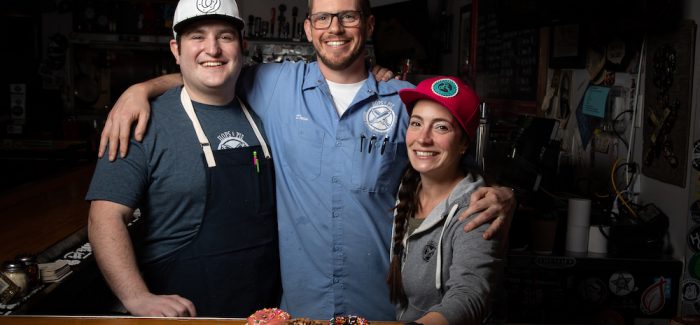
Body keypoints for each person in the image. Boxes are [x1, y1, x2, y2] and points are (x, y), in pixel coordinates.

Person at [97, 0, 516, 320]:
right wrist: (141, 88)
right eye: (323, 18)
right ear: (308, 28)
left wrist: (502, 195)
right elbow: (210, 73)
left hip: (383, 309)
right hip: (299, 311)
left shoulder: (403, 99)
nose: (335, 28)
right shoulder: (272, 84)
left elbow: (445, 159)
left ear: (368, 25)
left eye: (348, 17)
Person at [85, 0, 280, 317]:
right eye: (197, 37)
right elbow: (104, 218)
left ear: (243, 46)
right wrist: (137, 298)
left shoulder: (264, 110)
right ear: (176, 50)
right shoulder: (139, 123)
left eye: (225, 37)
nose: (212, 49)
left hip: (263, 308)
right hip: (183, 312)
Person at [387, 76, 504, 325]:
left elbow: (470, 295)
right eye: (416, 123)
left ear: (463, 143)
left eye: (441, 127)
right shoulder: (407, 185)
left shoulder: (477, 208)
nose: (423, 138)